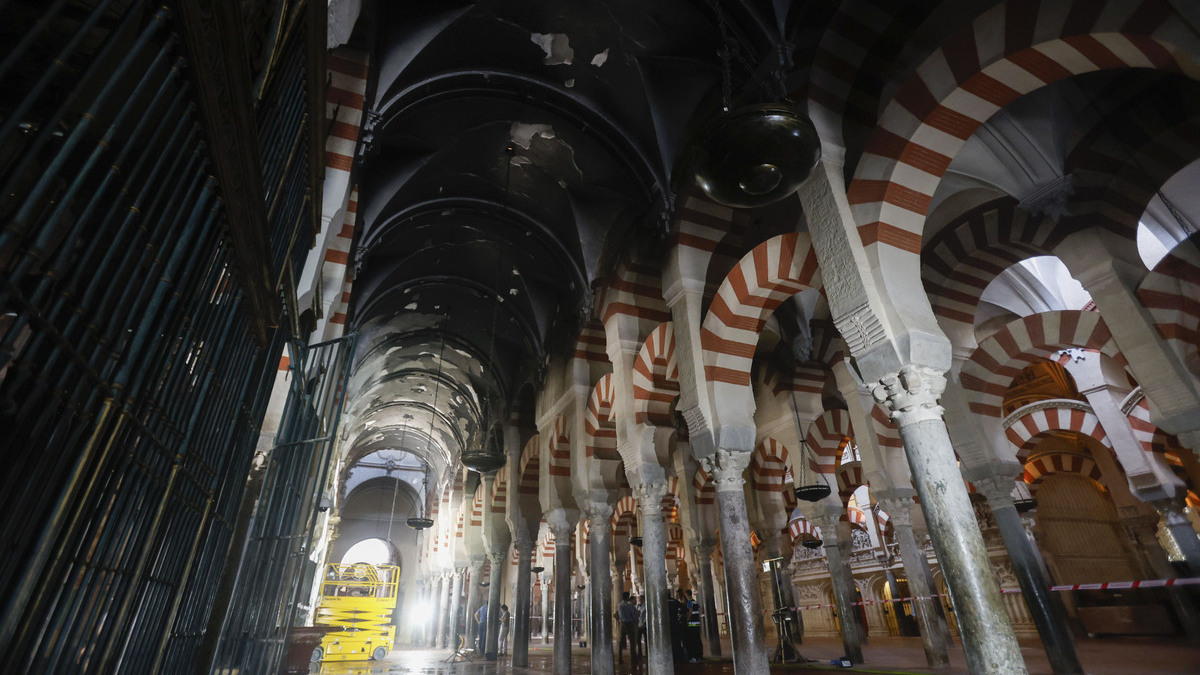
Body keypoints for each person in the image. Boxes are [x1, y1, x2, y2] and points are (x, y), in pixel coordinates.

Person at [615, 592, 639, 663]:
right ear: (628, 597)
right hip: (629, 624)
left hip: (622, 624)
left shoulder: (619, 605)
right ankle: (633, 657)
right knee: (632, 641)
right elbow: (634, 615)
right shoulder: (629, 606)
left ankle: (620, 657)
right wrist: (636, 621)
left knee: (621, 641)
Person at [685, 589, 703, 662]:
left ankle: (694, 657)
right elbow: (701, 610)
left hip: (692, 624)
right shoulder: (695, 601)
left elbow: (690, 611)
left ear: (687, 595)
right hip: (697, 623)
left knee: (693, 640)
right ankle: (699, 656)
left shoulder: (689, 602)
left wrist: (687, 619)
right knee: (698, 640)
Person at [669, 590, 687, 663]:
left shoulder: (662, 602)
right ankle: (679, 658)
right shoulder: (674, 601)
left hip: (667, 625)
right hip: (675, 624)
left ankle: (672, 658)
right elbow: (684, 609)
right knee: (677, 642)